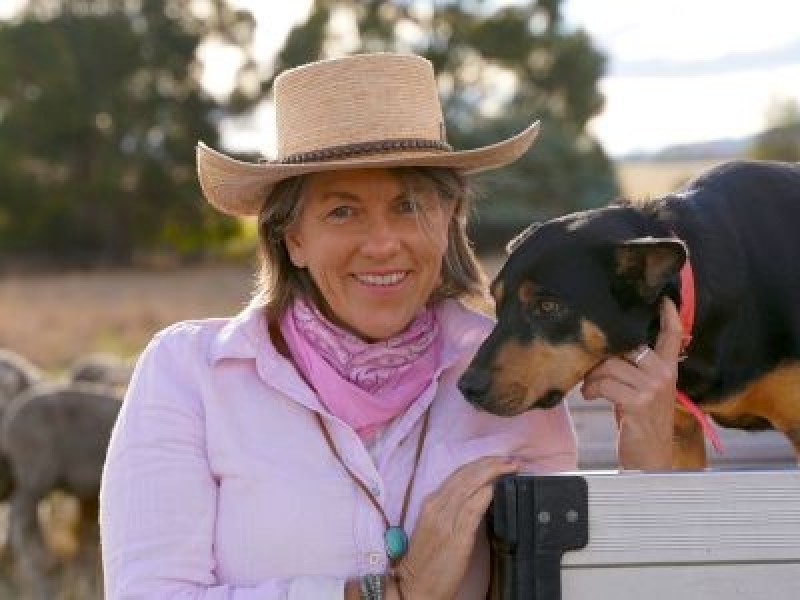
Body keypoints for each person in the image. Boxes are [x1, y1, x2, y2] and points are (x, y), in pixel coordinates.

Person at [99, 53, 682, 599]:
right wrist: (390, 592)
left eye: (409, 206)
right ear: (292, 238)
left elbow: (568, 585)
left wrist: (651, 463)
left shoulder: (509, 369)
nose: (382, 245)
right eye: (343, 211)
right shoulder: (190, 375)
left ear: (449, 219)